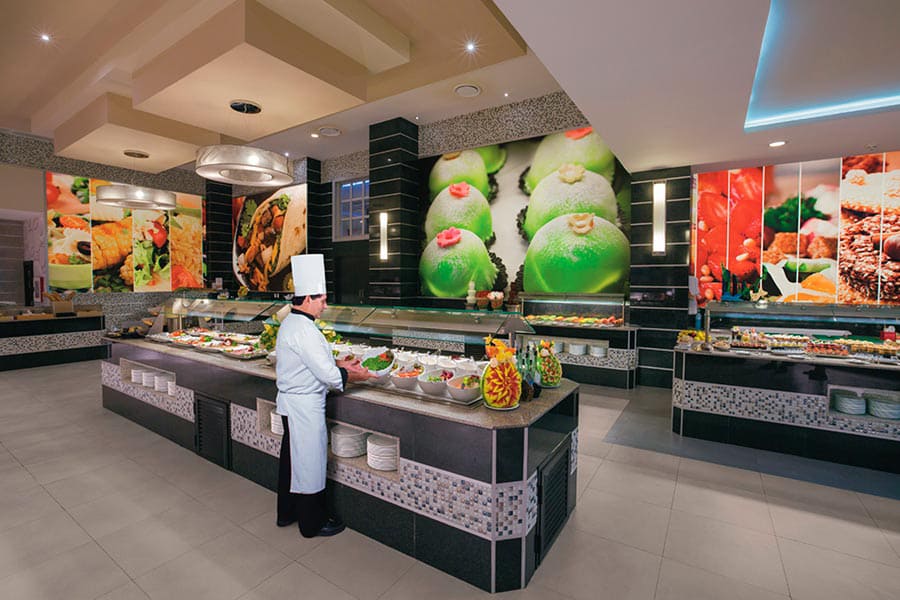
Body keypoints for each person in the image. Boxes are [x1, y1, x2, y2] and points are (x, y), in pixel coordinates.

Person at [275, 254, 371, 537]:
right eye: (322, 300)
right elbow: (328, 376)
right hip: (304, 408)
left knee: (292, 462)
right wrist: (358, 375)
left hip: (292, 405)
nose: (325, 306)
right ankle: (311, 523)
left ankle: (287, 513)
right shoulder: (304, 330)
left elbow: (311, 362)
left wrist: (341, 363)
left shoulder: (293, 323)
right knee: (309, 464)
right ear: (307, 299)